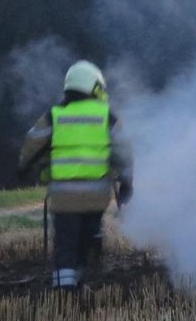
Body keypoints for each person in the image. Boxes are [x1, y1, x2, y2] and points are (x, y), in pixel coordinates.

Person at [18, 60, 134, 288]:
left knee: (65, 246)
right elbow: (124, 152)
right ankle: (91, 253)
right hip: (96, 198)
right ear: (95, 87)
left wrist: (23, 169)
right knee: (88, 234)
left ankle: (65, 292)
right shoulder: (107, 117)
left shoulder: (55, 116)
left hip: (64, 199)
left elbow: (32, 144)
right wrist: (127, 183)